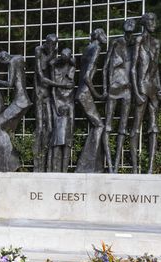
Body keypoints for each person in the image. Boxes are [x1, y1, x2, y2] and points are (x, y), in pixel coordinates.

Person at [129, 12, 161, 173]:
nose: (154, 22)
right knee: (136, 126)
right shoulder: (139, 40)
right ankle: (135, 169)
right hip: (141, 86)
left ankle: (150, 169)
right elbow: (132, 68)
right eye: (151, 20)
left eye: (155, 19)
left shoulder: (157, 43)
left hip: (153, 87)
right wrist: (135, 91)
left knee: (154, 127)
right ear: (144, 22)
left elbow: (156, 69)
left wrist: (160, 87)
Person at [0, 50, 29, 172]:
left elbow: (10, 83)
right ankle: (13, 163)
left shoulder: (11, 62)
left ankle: (5, 163)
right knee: (6, 129)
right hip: (24, 100)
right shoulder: (19, 58)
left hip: (19, 102)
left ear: (4, 58)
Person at [106, 17, 136, 172]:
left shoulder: (136, 44)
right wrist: (107, 87)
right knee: (108, 126)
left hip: (128, 89)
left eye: (133, 23)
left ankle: (116, 167)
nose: (130, 25)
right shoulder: (116, 42)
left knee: (122, 128)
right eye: (127, 23)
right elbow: (106, 66)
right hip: (114, 87)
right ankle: (111, 167)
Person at [74, 30, 106, 173]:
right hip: (85, 93)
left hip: (80, 92)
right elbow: (87, 76)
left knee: (97, 126)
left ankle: (95, 167)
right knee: (99, 126)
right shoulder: (97, 48)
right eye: (103, 34)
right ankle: (85, 167)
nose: (106, 37)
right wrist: (97, 95)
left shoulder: (87, 49)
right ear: (98, 36)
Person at [48, 48, 76, 172]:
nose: (64, 58)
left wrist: (68, 59)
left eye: (67, 56)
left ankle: (64, 170)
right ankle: (54, 169)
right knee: (57, 138)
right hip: (58, 102)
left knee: (68, 138)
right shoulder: (56, 69)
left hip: (68, 102)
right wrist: (55, 104)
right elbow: (51, 64)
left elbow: (74, 62)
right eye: (62, 55)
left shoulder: (72, 68)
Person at [32, 34, 57, 171]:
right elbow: (41, 76)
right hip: (39, 93)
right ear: (46, 43)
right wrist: (59, 85)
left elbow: (52, 71)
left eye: (55, 45)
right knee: (40, 128)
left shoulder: (54, 52)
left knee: (50, 128)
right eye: (51, 44)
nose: (53, 47)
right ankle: (38, 164)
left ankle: (48, 164)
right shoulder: (39, 50)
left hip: (48, 94)